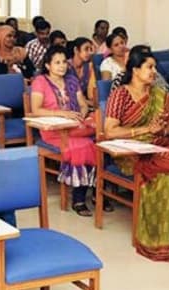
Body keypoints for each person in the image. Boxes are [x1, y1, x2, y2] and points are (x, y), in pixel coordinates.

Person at [104, 47, 169, 263]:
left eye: (154, 67)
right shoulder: (121, 94)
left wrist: (162, 129)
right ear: (135, 69)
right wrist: (145, 130)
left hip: (159, 144)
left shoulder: (160, 94)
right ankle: (161, 240)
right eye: (149, 67)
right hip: (130, 151)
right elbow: (110, 131)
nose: (154, 72)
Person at [29, 46, 97, 216]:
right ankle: (78, 198)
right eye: (57, 62)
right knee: (83, 145)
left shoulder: (72, 80)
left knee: (98, 142)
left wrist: (79, 116)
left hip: (75, 126)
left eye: (64, 62)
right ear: (47, 65)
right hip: (54, 130)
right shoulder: (40, 82)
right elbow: (35, 109)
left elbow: (82, 105)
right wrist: (62, 114)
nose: (62, 66)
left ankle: (97, 192)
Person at [68, 37, 97, 104]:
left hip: (84, 103)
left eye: (91, 49)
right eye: (86, 49)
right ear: (76, 50)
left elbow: (91, 92)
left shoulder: (89, 67)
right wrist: (87, 102)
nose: (89, 53)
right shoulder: (66, 66)